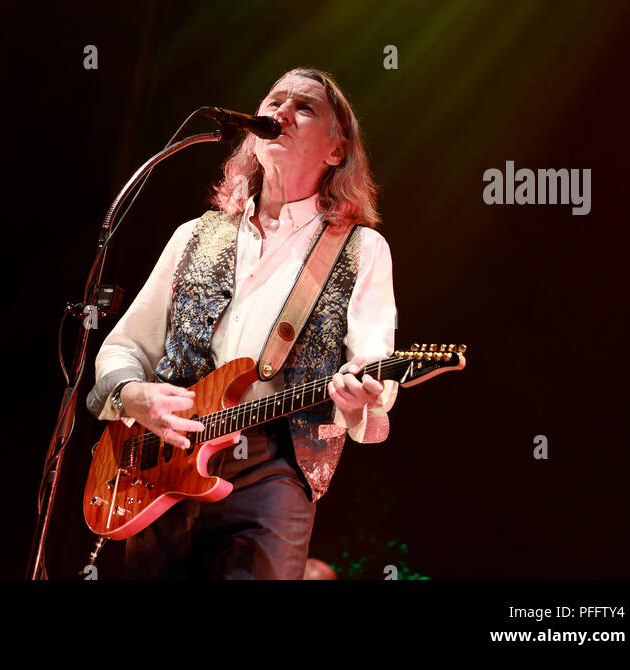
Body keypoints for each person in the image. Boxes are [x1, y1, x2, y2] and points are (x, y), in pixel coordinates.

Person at [86, 66, 398, 580]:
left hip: (273, 471)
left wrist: (364, 393)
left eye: (304, 107)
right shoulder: (195, 234)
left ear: (336, 151)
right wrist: (131, 395)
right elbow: (125, 347)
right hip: (165, 462)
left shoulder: (361, 248)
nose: (280, 113)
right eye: (274, 101)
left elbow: (372, 365)